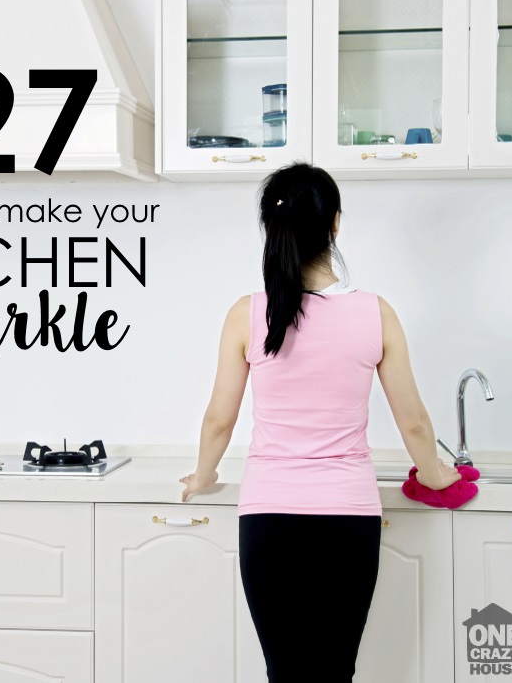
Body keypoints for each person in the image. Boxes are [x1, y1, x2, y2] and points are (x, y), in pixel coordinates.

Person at [179, 161, 462, 682]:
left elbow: (220, 418)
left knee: (285, 672)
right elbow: (415, 424)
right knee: (334, 672)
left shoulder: (247, 313)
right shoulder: (377, 313)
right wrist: (438, 476)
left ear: (272, 226)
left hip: (268, 521)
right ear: (334, 223)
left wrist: (202, 476)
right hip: (347, 523)